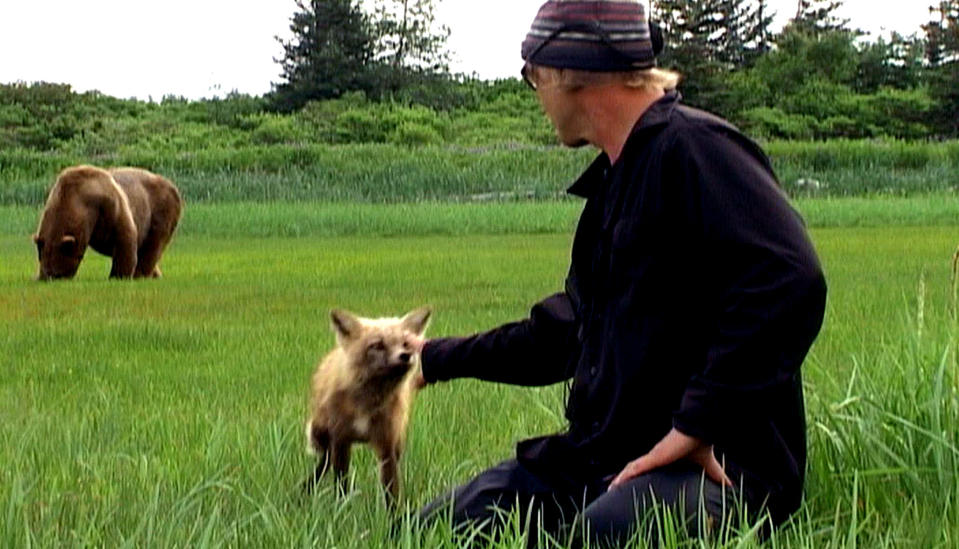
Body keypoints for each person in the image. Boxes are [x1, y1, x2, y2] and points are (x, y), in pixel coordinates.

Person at [414, 0, 828, 545]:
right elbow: (567, 334)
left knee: (607, 531)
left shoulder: (695, 149)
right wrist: (426, 358)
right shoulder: (614, 186)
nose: (535, 93)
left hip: (720, 469)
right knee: (438, 529)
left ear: (566, 73)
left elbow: (790, 278)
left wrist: (697, 424)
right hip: (606, 459)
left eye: (531, 76)